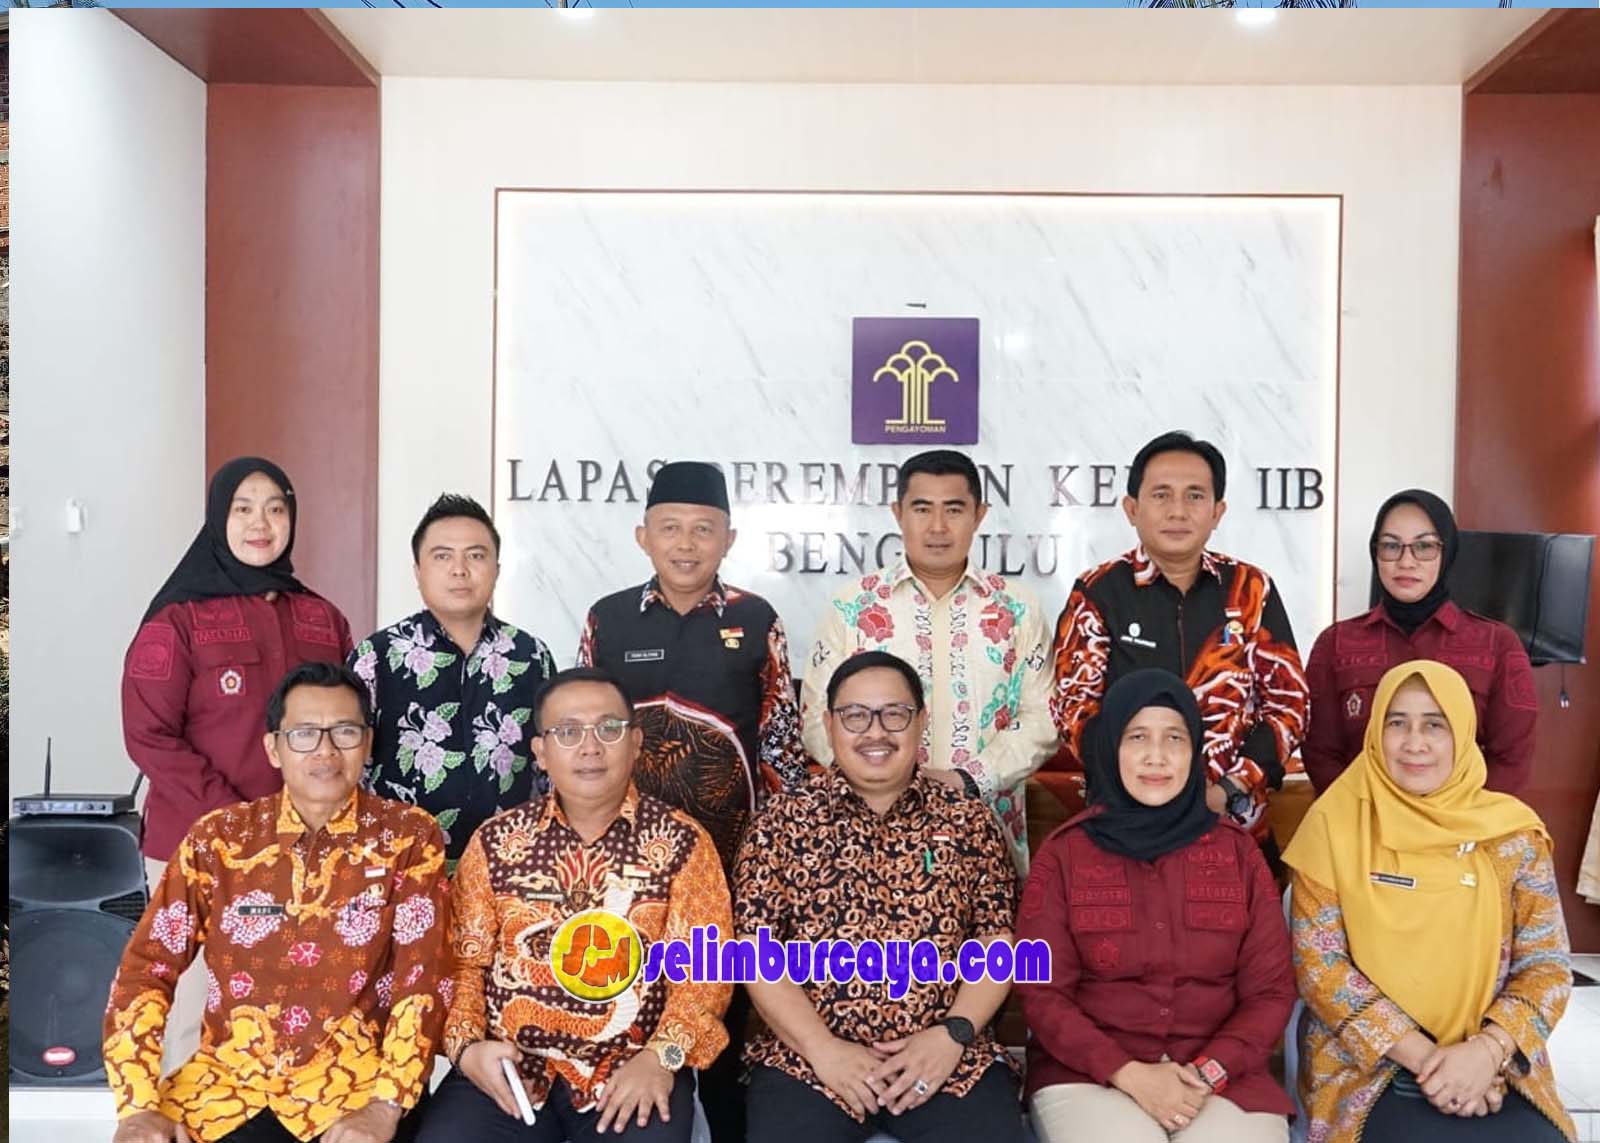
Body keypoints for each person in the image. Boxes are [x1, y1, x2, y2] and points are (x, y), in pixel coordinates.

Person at [105, 662, 451, 1143]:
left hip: (355, 1090)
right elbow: (145, 969)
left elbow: (425, 981)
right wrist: (137, 1105)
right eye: (304, 734)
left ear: (368, 743)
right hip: (227, 1089)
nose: (325, 751)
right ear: (273, 747)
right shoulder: (219, 839)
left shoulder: (408, 836)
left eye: (345, 732)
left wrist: (386, 1105)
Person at [577, 460, 811, 1142]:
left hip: (730, 870)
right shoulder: (608, 619)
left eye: (704, 529)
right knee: (627, 1013)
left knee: (725, 1032)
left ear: (729, 539)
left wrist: (776, 863)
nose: (686, 543)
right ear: (642, 536)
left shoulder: (755, 619)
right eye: (671, 528)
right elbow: (579, 735)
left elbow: (781, 748)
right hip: (625, 873)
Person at [427, 667, 732, 1143]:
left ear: (635, 743)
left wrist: (662, 1058)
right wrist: (467, 1050)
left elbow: (705, 977)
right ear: (540, 753)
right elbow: (463, 964)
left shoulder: (682, 843)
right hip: (509, 1068)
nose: (590, 747)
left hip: (632, 1068)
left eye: (609, 729)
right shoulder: (495, 842)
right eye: (568, 732)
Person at [738, 651, 1026, 1143]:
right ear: (829, 725)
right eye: (855, 716)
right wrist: (823, 1049)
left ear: (921, 722)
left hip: (945, 1059)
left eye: (895, 714)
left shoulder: (968, 821)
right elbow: (755, 953)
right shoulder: (780, 823)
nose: (875, 732)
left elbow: (996, 943)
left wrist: (953, 1034)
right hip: (810, 1061)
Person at [122, 457, 353, 1068]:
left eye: (275, 508)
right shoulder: (176, 620)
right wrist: (237, 821)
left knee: (298, 1017)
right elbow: (148, 735)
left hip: (308, 852)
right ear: (217, 518)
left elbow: (349, 730)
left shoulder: (323, 619)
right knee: (195, 1016)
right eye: (243, 508)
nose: (260, 523)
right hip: (197, 848)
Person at [1283, 661, 1575, 1143]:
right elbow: (1320, 969)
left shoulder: (1513, 835)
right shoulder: (1334, 825)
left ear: (1462, 732)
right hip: (1367, 1066)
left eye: (1435, 725)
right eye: (1397, 723)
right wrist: (1434, 1064)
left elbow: (1547, 967)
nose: (1414, 743)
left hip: (1495, 1064)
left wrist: (1485, 1053)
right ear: (1375, 732)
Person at [1016, 669, 1295, 1143]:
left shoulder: (1238, 854)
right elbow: (1041, 992)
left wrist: (1206, 1073)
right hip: (1091, 1074)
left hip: (1222, 1076)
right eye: (1137, 737)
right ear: (1111, 747)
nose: (1156, 756)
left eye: (1174, 738)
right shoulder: (1065, 855)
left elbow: (1270, 992)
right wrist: (1129, 1073)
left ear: (1195, 750)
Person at [1049, 431, 1308, 848]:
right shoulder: (1098, 591)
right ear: (1132, 509)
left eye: (1195, 496)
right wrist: (1141, 790)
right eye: (1161, 495)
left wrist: (1227, 789)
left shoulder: (1250, 589)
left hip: (1234, 825)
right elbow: (1073, 708)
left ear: (1217, 512)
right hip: (1127, 826)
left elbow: (1288, 706)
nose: (1178, 511)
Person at [801, 450, 1057, 871]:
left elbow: (1044, 718)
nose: (938, 526)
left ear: (979, 515)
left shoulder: (1017, 609)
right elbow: (816, 718)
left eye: (954, 509)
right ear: (898, 513)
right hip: (870, 833)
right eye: (922, 509)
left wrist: (970, 779)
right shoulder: (853, 607)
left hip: (985, 835)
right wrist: (882, 782)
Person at [351, 494, 556, 861]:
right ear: (418, 571)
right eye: (442, 556)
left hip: (511, 864)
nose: (459, 570)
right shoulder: (375, 657)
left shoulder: (531, 655)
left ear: (496, 569)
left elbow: (551, 769)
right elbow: (351, 768)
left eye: (475, 556)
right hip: (401, 865)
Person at [1302, 490, 1538, 794]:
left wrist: (1459, 818)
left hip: (1463, 820)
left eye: (1424, 546)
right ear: (1375, 552)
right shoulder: (1335, 643)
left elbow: (1511, 759)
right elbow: (1321, 754)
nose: (1406, 561)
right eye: (1391, 546)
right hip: (1361, 817)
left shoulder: (1497, 644)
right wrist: (1371, 813)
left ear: (1447, 552)